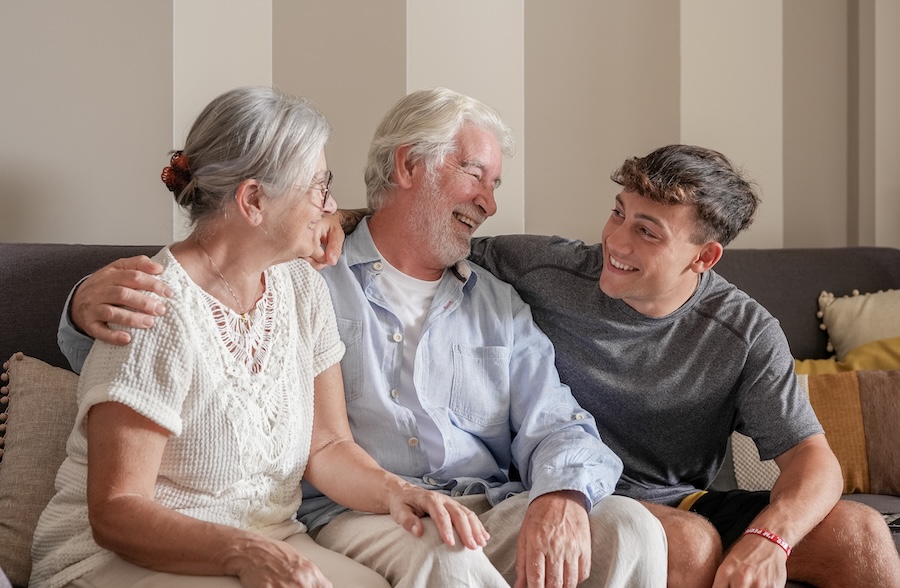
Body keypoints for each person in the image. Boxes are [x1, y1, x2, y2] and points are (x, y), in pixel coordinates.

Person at [58, 88, 668, 587]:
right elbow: (155, 339)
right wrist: (79, 305)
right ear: (407, 166)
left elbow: (329, 441)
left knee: (631, 529)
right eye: (475, 175)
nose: (489, 203)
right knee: (443, 554)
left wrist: (561, 492)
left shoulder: (489, 297)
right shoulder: (316, 272)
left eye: (496, 185)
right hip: (344, 518)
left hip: (474, 499)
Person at [32, 86, 490, 588]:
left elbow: (329, 445)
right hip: (124, 560)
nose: (331, 205)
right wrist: (242, 552)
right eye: (320, 186)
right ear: (253, 200)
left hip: (270, 538)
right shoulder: (153, 306)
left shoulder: (302, 287)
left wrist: (396, 491)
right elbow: (117, 511)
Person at [468, 144, 900, 587]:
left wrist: (771, 539)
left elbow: (812, 460)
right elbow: (428, 252)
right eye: (619, 213)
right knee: (689, 543)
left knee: (861, 534)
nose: (616, 241)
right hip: (559, 491)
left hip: (679, 504)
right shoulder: (544, 269)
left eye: (647, 232)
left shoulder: (743, 331)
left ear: (704, 257)